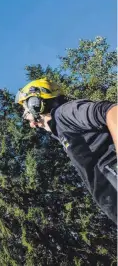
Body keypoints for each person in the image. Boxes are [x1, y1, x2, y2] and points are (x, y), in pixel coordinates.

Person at [15, 78, 117, 224]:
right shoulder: (63, 128)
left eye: (26, 112)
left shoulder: (64, 113)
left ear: (35, 104)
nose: (31, 123)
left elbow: (112, 111)